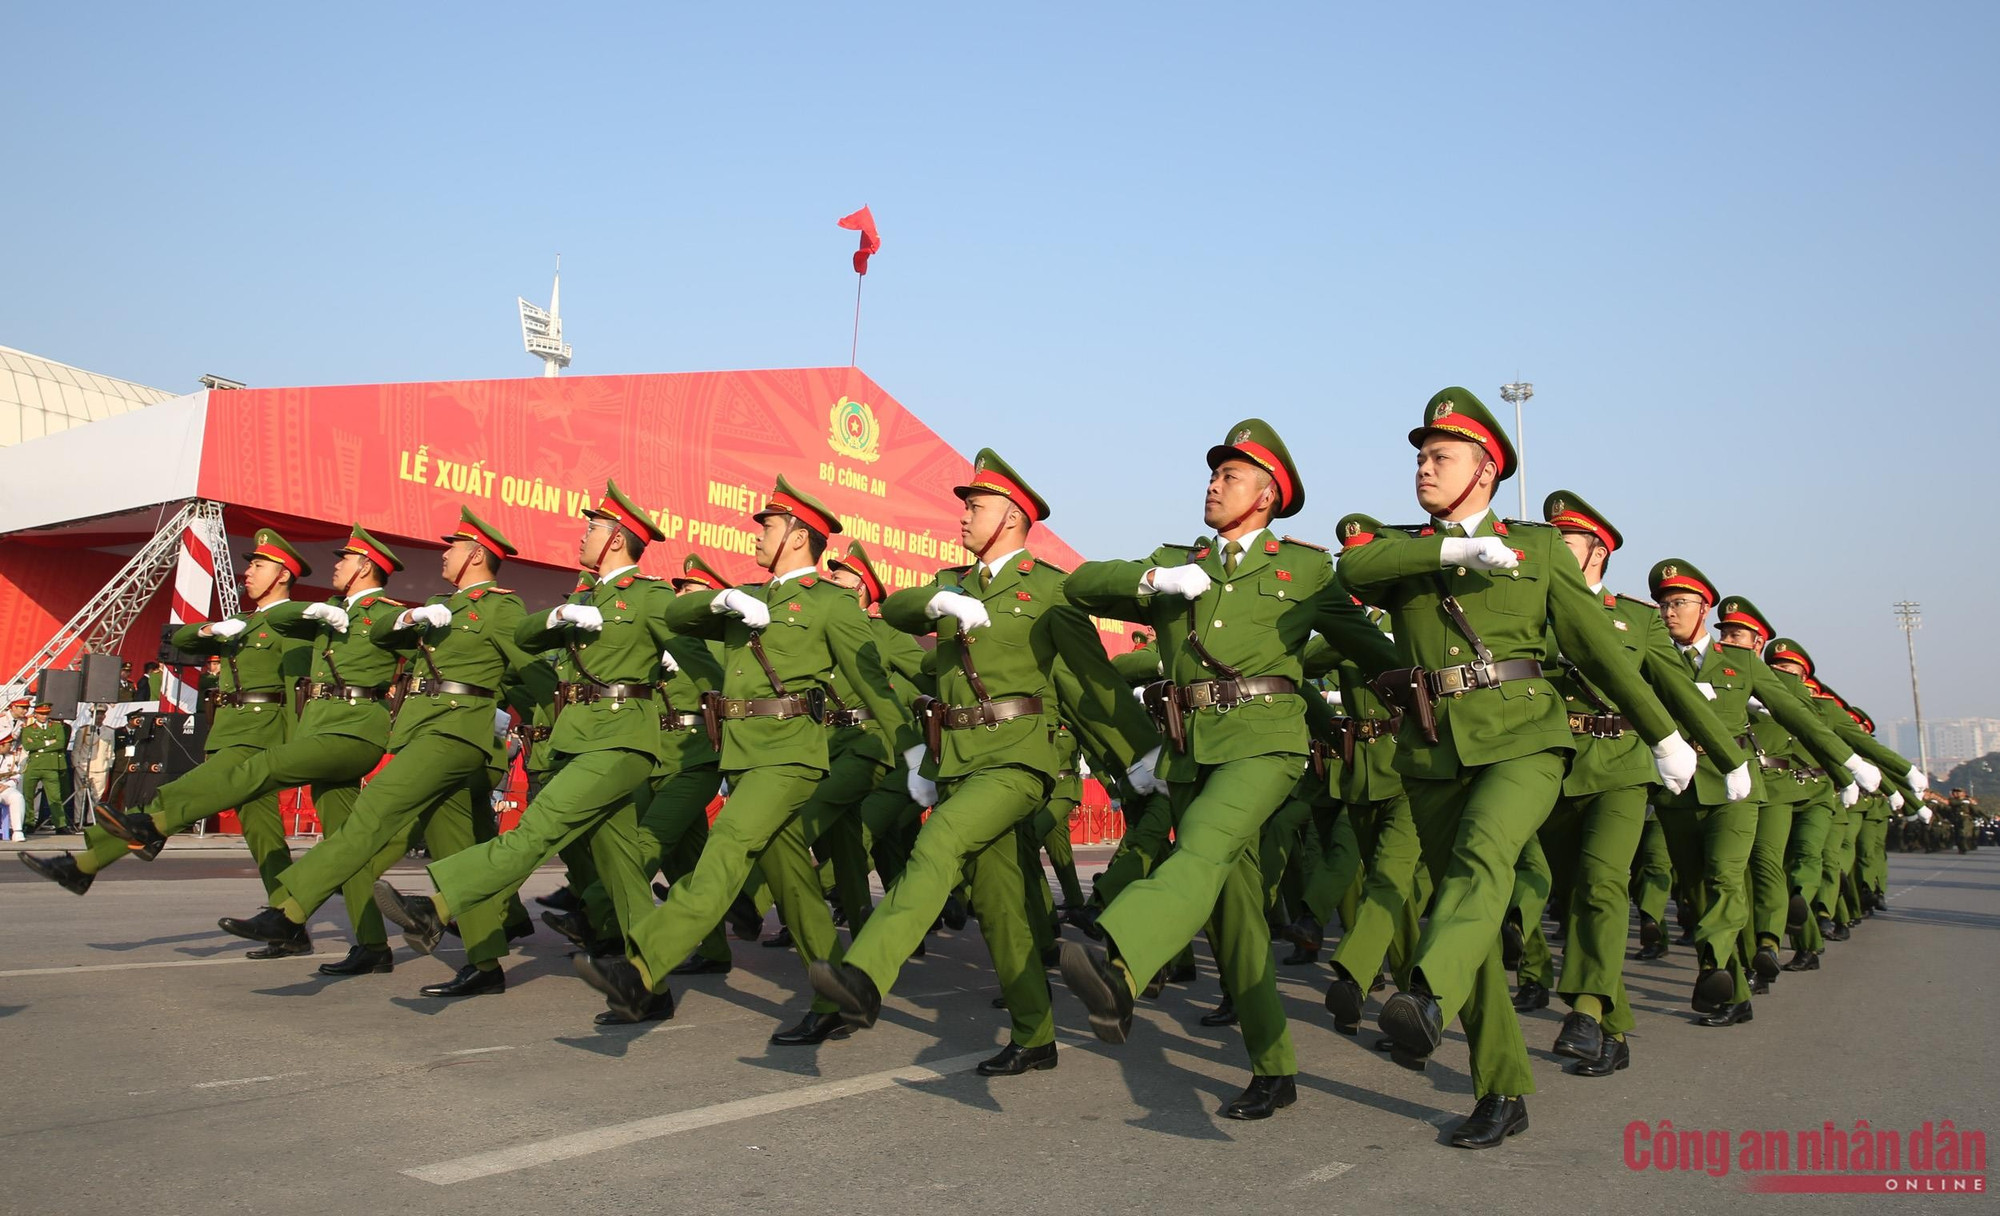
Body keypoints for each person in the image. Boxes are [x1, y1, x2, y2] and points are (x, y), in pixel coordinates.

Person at [1335, 388, 1704, 1148]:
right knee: (1463, 915)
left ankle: (1424, 994)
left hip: (1526, 740)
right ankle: (1501, 1088)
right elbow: (1353, 566)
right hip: (1433, 750)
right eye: (1420, 456)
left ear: (1486, 469)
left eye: (1441, 456)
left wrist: (1665, 735)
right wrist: (1451, 551)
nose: (1423, 467)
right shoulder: (1405, 552)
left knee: (1482, 858)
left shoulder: (1537, 550)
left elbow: (1600, 651)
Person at [1057, 418, 1399, 1120]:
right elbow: (1079, 588)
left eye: (1231, 475)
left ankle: (1120, 961)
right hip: (1192, 752)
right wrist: (1155, 579)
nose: (1214, 484)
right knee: (1236, 919)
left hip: (1266, 742)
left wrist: (1438, 700)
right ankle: (1274, 1069)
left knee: (1200, 846)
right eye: (1213, 474)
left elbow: (1372, 650)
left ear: (1267, 495)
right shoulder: (1178, 562)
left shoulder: (1304, 570)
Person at [810, 449, 1156, 1076]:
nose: (964, 516)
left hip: (1018, 759)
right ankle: (1035, 1035)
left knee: (938, 843)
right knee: (999, 906)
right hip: (960, 760)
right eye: (965, 506)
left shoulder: (1048, 589)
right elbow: (895, 608)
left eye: (977, 506)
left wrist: (1141, 755)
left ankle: (863, 975)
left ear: (1014, 516)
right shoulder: (953, 584)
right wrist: (941, 603)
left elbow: (1092, 680)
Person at [569, 476, 913, 1032]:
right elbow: (677, 618)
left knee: (725, 849)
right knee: (793, 882)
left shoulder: (830, 604)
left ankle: (642, 968)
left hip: (791, 755)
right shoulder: (751, 598)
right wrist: (723, 598)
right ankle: (841, 998)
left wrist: (914, 756)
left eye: (768, 526)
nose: (757, 535)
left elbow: (872, 681)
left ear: (797, 536)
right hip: (744, 754)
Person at [218, 508, 534, 995]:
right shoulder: (437, 605)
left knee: (370, 815)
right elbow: (385, 634)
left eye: (452, 548)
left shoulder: (501, 608)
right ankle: (486, 963)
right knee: (455, 850)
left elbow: (529, 669)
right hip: (423, 730)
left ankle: (289, 912)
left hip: (455, 735)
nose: (444, 555)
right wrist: (409, 616)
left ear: (476, 555)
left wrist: (550, 725)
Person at [17, 701, 76, 833]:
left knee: (55, 797)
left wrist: (39, 747)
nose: (44, 716)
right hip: (34, 766)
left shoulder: (57, 727)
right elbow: (28, 746)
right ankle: (29, 822)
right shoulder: (28, 729)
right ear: (35, 714)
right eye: (41, 714)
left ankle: (60, 824)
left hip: (51, 766)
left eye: (46, 714)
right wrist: (49, 742)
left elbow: (60, 744)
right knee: (28, 796)